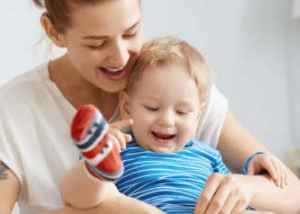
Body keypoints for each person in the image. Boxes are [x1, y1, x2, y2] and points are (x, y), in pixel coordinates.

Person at [0, 0, 300, 214]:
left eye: (131, 32)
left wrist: (244, 187)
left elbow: (292, 192)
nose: (120, 57)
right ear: (53, 31)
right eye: (97, 43)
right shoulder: (16, 108)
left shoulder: (177, 83)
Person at [60, 37, 284, 214]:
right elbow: (75, 199)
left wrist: (257, 168)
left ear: (198, 116)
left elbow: (234, 198)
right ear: (127, 106)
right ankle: (96, 168)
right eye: (152, 107)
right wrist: (101, 156)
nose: (167, 120)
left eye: (182, 112)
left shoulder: (208, 157)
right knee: (96, 191)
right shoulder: (122, 151)